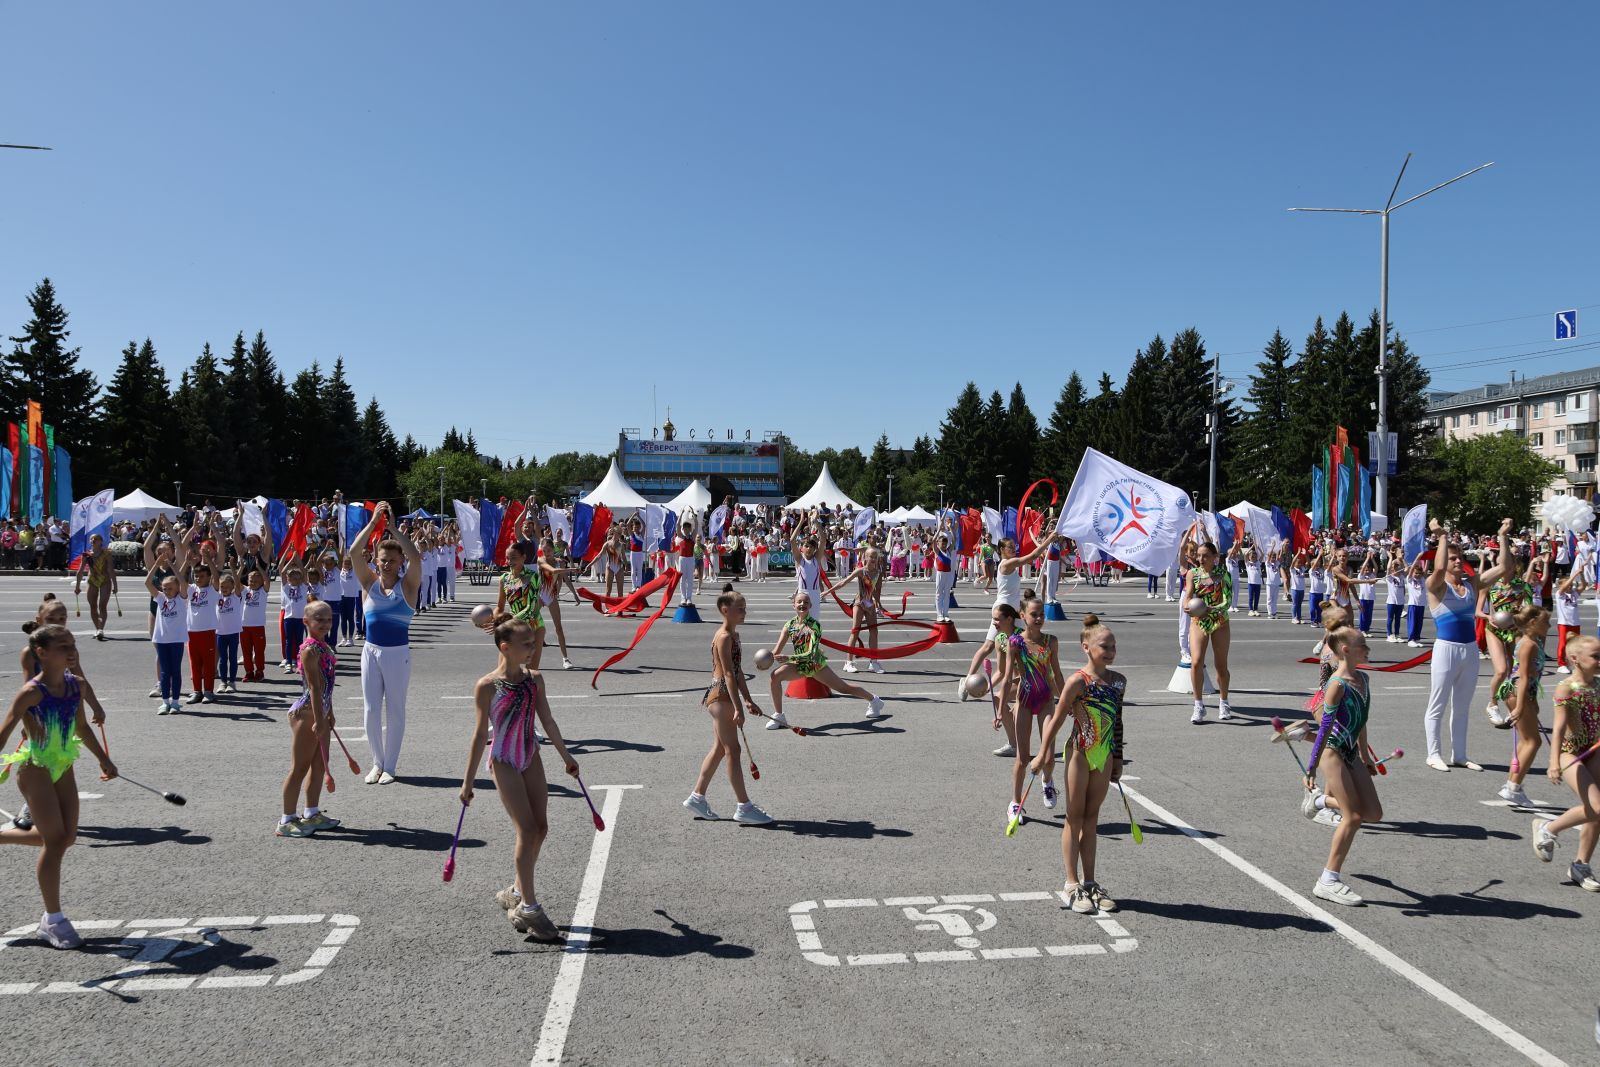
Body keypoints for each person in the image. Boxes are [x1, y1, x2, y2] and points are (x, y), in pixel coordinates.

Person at [461, 613, 582, 938]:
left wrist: (567, 757)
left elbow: (547, 720)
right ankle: (529, 907)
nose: (532, 648)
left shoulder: (534, 680)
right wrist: (467, 782)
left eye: (533, 643)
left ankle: (515, 892)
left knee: (541, 828)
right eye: (526, 644)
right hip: (503, 759)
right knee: (526, 830)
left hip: (530, 754)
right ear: (505, 647)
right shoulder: (487, 686)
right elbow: (479, 735)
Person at [0, 624, 116, 949]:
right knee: (53, 842)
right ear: (42, 653)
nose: (71, 651)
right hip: (35, 768)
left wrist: (104, 760)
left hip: (64, 766)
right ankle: (53, 921)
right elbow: (5, 732)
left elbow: (81, 726)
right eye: (63, 646)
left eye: (72, 644)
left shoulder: (76, 685)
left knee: (66, 837)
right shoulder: (31, 692)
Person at [1032, 614, 1125, 915]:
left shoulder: (1119, 681)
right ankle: (1071, 883)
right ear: (1086, 647)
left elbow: (1118, 721)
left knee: (1091, 818)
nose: (1110, 651)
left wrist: (1117, 757)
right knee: (1074, 816)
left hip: (1104, 754)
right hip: (1079, 753)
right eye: (1104, 646)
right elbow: (1057, 719)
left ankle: (1091, 881)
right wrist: (1042, 754)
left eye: (1113, 646)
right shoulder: (1077, 682)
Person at [682, 585, 774, 826]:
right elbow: (729, 675)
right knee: (733, 750)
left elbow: (739, 671)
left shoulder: (734, 635)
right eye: (739, 609)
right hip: (721, 697)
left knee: (720, 749)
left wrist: (748, 699)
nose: (744, 612)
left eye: (744, 608)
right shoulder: (724, 637)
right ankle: (744, 806)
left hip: (722, 697)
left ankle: (697, 797)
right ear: (725, 610)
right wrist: (738, 708)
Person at [1303, 628, 1382, 905]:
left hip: (1351, 751)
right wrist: (1312, 767)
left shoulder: (1364, 679)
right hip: (1332, 752)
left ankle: (1320, 801)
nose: (1367, 648)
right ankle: (1328, 880)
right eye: (1362, 644)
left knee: (1373, 813)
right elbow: (1325, 728)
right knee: (1353, 817)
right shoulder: (1336, 685)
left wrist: (1366, 756)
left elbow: (1361, 720)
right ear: (1346, 650)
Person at [351, 503, 421, 785]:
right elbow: (354, 553)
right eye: (383, 560)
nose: (387, 564)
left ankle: (390, 766)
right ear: (376, 561)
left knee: (395, 710)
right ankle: (377, 763)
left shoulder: (408, 586)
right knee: (371, 710)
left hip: (396, 654)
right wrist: (373, 524)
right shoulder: (368, 583)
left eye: (393, 559)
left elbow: (416, 557)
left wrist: (392, 528)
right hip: (370, 652)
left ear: (400, 561)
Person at [1532, 634, 1600, 890]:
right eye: (1595, 656)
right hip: (1570, 753)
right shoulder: (1566, 687)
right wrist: (1553, 763)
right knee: (1597, 806)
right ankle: (1549, 827)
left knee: (1596, 812)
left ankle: (1581, 865)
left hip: (1593, 749)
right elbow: (1559, 728)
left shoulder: (1599, 685)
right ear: (1575, 659)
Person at [766, 591, 885, 730]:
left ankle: (874, 700)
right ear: (794, 605)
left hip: (815, 665)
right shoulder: (789, 625)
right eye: (799, 602)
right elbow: (776, 650)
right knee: (774, 676)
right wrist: (765, 661)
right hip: (799, 665)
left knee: (844, 688)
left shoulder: (814, 625)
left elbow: (811, 653)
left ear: (810, 605)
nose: (802, 604)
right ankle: (779, 716)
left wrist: (789, 658)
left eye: (805, 602)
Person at [1422, 518, 1487, 773]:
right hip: (1446, 649)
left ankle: (1459, 755)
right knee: (1437, 704)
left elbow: (1505, 567)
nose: (1459, 561)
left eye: (1460, 557)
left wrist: (1503, 537)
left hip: (1470, 650)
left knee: (1462, 707)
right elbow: (1438, 568)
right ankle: (1433, 754)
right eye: (1453, 558)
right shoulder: (1435, 586)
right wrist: (1441, 536)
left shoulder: (1471, 585)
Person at [276, 600, 342, 837]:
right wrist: (320, 719)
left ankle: (311, 812)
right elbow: (314, 687)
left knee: (320, 764)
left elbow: (327, 686)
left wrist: (329, 711)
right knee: (300, 767)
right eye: (319, 619)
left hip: (320, 711)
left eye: (329, 619)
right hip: (307, 714)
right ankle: (286, 819)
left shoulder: (324, 647)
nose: (325, 624)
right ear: (306, 621)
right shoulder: (310, 650)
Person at [997, 597, 1064, 823]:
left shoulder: (1050, 641)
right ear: (1022, 616)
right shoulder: (1015, 642)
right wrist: (1001, 710)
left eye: (1042, 614)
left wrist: (1068, 701)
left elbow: (1057, 674)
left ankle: (1047, 781)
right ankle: (1015, 803)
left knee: (1048, 756)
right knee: (1023, 758)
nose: (1039, 618)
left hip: (1046, 700)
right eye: (1034, 614)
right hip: (1024, 701)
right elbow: (1007, 677)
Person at [1495, 605, 1550, 808]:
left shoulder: (1530, 641)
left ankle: (1512, 784)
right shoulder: (1529, 645)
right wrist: (1520, 705)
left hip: (1521, 692)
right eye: (1546, 622)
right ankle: (1513, 788)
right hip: (1518, 692)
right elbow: (1524, 676)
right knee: (1533, 742)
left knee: (1525, 741)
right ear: (1533, 623)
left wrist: (1532, 700)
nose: (1549, 626)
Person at [1479, 519, 1531, 728]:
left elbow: (1530, 611)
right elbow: (1478, 610)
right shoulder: (1490, 584)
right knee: (1501, 670)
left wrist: (1521, 616)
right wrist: (1488, 618)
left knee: (1514, 671)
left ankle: (1513, 706)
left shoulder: (1522, 586)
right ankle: (1492, 704)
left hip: (1514, 629)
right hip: (1494, 629)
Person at [1186, 540, 1235, 723]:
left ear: (1215, 557)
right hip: (1199, 621)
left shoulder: (1223, 574)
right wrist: (1187, 606)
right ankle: (1198, 705)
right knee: (1196, 662)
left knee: (1221, 665)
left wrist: (1210, 609)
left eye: (1205, 556)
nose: (1201, 559)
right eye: (1199, 555)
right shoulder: (1193, 574)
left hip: (1219, 621)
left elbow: (1227, 601)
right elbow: (1188, 596)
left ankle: (1224, 702)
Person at [145, 553, 191, 715]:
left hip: (176, 640)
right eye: (164, 588)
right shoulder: (160, 598)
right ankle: (165, 702)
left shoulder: (182, 598)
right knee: (165, 672)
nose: (167, 591)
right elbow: (147, 583)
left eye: (170, 588)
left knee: (175, 671)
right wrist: (156, 564)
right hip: (162, 640)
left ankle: (175, 703)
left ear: (177, 588)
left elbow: (182, 582)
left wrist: (171, 565)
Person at [72, 534, 116, 641]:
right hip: (92, 581)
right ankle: (98, 629)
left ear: (101, 541)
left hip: (105, 580)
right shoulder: (86, 555)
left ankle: (100, 629)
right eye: (91, 539)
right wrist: (77, 586)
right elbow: (80, 571)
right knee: (93, 606)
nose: (93, 540)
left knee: (102, 606)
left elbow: (111, 570)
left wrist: (115, 585)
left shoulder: (107, 553)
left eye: (95, 539)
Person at [214, 572, 244, 694]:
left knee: (232, 658)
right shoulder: (217, 596)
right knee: (222, 659)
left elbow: (237, 583)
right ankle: (223, 682)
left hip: (233, 633)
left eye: (227, 586)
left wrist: (233, 568)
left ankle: (232, 682)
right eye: (222, 586)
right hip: (220, 633)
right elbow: (214, 580)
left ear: (232, 587)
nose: (224, 589)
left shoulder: (236, 596)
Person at [241, 567, 271, 683]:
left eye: (256, 581)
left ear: (261, 582)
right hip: (244, 626)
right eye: (251, 581)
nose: (253, 583)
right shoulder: (245, 590)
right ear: (247, 581)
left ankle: (259, 671)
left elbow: (267, 580)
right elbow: (236, 581)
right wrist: (237, 568)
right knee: (246, 651)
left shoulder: (263, 591)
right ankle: (249, 672)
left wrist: (260, 568)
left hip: (258, 626)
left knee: (259, 651)